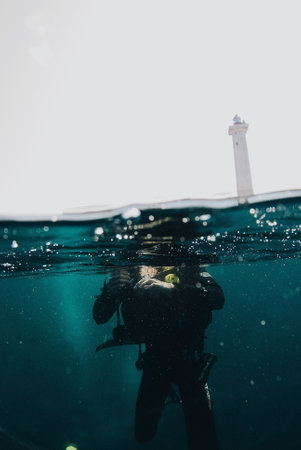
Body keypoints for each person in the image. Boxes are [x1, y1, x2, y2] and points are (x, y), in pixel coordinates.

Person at [93, 264, 224, 450]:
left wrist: (172, 288)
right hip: (156, 360)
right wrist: (110, 292)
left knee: (204, 441)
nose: (149, 269)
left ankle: (171, 396)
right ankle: (167, 396)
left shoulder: (188, 268)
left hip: (191, 361)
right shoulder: (127, 275)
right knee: (143, 433)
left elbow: (217, 298)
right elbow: (99, 316)